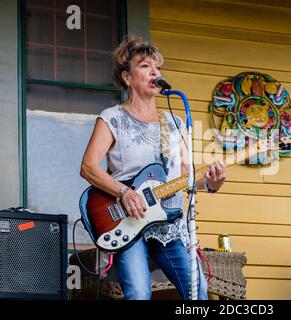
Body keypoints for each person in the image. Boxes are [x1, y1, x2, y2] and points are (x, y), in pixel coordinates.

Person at [80, 35, 227, 300]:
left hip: (170, 225)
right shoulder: (113, 118)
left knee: (198, 293)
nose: (155, 72)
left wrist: (211, 184)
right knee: (138, 293)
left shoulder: (175, 121)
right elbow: (89, 167)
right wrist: (124, 193)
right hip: (127, 219)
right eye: (146, 66)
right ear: (127, 77)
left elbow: (185, 176)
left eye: (157, 67)